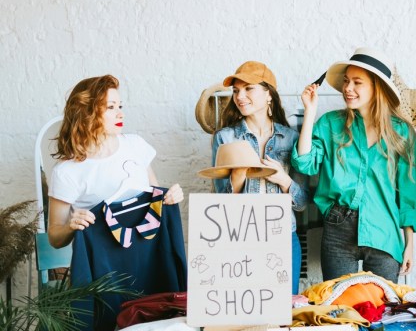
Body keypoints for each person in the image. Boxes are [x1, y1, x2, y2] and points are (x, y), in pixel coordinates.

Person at [293, 47, 416, 283]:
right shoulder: (330, 124)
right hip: (337, 227)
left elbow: (408, 194)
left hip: (384, 229)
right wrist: (310, 113)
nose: (347, 89)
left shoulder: (402, 133)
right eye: (345, 81)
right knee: (340, 309)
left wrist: (409, 245)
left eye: (357, 82)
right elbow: (305, 163)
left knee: (382, 309)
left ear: (377, 87)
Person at [48, 75, 183, 248]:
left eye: (120, 106)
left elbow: (155, 198)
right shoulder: (67, 172)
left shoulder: (136, 145)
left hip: (148, 251)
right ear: (86, 112)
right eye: (110, 107)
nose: (120, 113)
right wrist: (70, 227)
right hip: (104, 264)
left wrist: (170, 198)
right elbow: (55, 238)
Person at [212, 61, 309, 295]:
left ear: (269, 95)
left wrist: (284, 180)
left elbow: (303, 202)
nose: (240, 96)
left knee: (284, 314)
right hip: (241, 239)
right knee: (246, 316)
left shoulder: (291, 138)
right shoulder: (225, 138)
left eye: (248, 89)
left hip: (283, 237)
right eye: (236, 91)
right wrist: (237, 177)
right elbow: (219, 206)